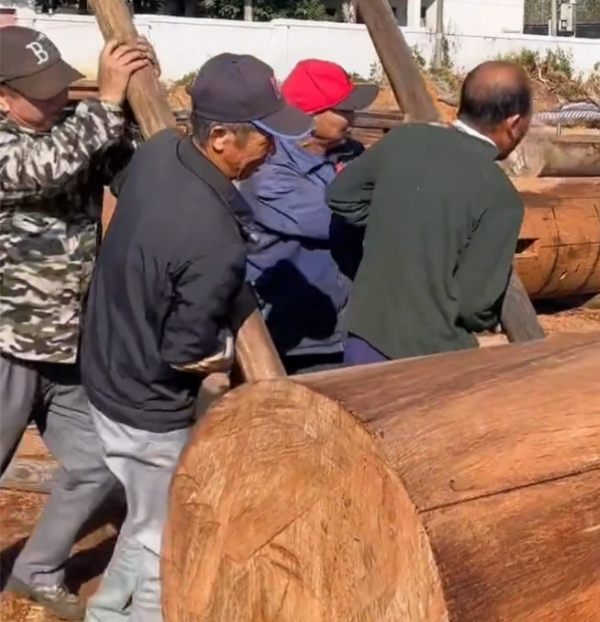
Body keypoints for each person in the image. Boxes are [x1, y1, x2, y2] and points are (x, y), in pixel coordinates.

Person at [79, 53, 312, 622]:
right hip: (147, 407)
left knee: (144, 517)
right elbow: (187, 353)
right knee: (168, 543)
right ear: (222, 138)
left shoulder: (160, 152)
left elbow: (120, 178)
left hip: (106, 366)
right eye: (263, 137)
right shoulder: (214, 239)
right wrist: (227, 353)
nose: (273, 150)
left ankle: (106, 611)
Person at [0, 28, 153, 620]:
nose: (59, 99)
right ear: (4, 97)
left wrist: (140, 98)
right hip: (8, 343)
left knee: (97, 465)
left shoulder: (74, 128)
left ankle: (36, 568)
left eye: (61, 86)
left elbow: (128, 169)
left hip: (67, 343)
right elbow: (45, 168)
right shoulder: (17, 144)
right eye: (41, 93)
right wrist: (107, 104)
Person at [326, 61, 531, 366]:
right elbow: (473, 306)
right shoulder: (501, 198)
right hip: (432, 360)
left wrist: (395, 224)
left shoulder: (403, 140)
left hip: (365, 338)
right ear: (514, 123)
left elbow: (341, 196)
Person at [240, 59, 377, 374]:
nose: (353, 117)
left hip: (347, 327)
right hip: (294, 338)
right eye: (343, 110)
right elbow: (339, 219)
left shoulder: (351, 153)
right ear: (310, 115)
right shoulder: (269, 171)